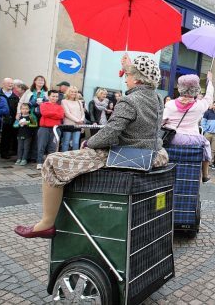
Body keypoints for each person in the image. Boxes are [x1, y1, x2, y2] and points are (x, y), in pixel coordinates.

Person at [14, 55, 169, 239]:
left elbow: (110, 132)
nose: (125, 79)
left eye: (127, 76)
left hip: (129, 154)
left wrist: (88, 143)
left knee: (52, 161)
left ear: (136, 79)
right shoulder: (157, 98)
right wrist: (129, 66)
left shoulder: (129, 101)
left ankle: (46, 223)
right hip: (154, 153)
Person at [163, 72, 214, 183]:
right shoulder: (199, 106)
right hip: (192, 139)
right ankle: (205, 174)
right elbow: (209, 97)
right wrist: (209, 82)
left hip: (172, 138)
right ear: (196, 89)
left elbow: (162, 121)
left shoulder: (170, 104)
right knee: (206, 144)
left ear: (180, 88)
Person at [36, 90, 65, 170]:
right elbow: (44, 113)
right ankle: (39, 162)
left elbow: (61, 116)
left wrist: (50, 114)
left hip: (55, 129)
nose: (55, 98)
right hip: (44, 128)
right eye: (53, 96)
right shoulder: (43, 104)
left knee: (53, 147)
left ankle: (50, 163)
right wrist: (55, 114)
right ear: (49, 96)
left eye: (56, 96)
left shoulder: (60, 107)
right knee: (41, 146)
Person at [0, 78, 19, 159]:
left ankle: (5, 153)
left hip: (11, 120)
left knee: (7, 136)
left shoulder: (15, 97)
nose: (11, 85)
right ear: (3, 84)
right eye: (9, 83)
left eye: (12, 83)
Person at [60, 86, 85, 152]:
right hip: (68, 124)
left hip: (78, 125)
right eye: (72, 92)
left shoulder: (79, 102)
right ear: (68, 92)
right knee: (66, 142)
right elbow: (67, 113)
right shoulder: (64, 101)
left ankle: (74, 158)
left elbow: (82, 112)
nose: (73, 93)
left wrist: (81, 120)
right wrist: (77, 120)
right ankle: (64, 157)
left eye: (75, 92)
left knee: (76, 143)